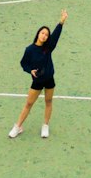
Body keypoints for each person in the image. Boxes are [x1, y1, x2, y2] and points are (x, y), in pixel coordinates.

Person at [9, 9, 68, 139]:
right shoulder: (29, 50)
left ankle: (45, 126)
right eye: (42, 33)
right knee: (29, 104)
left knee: (48, 101)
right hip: (37, 81)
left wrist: (61, 22)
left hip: (49, 80)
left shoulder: (48, 48)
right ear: (38, 34)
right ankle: (18, 126)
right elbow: (24, 63)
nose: (44, 36)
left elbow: (56, 36)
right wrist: (30, 70)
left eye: (47, 35)